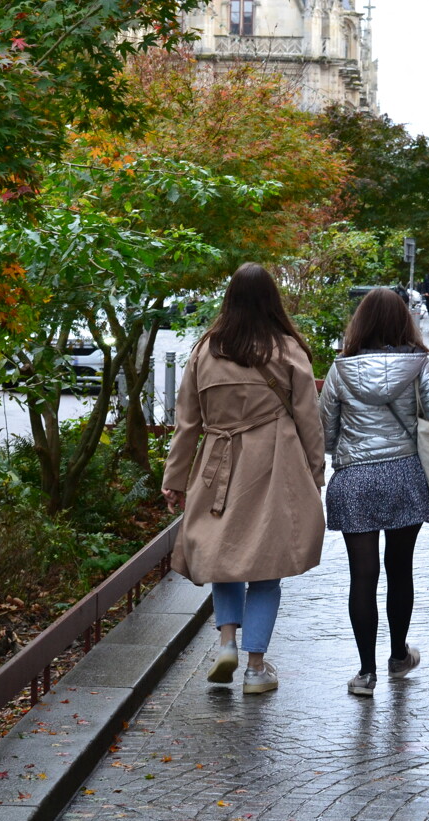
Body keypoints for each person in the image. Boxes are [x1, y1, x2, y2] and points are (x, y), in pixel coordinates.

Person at [161, 262, 325, 695]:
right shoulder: (287, 350)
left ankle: (226, 643)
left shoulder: (205, 351)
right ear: (272, 300)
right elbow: (309, 420)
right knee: (267, 567)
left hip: (218, 467)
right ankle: (255, 668)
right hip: (275, 465)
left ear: (229, 298)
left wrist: (175, 478)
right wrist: (315, 472)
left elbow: (187, 423)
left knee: (225, 555)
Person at [319, 288, 429, 696]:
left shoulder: (340, 371)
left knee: (362, 576)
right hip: (404, 475)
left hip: (355, 480)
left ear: (360, 324)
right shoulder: (418, 366)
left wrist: (349, 447)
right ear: (404, 323)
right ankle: (398, 656)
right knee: (400, 569)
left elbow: (324, 434)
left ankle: (366, 673)